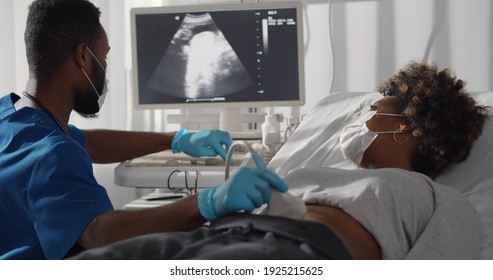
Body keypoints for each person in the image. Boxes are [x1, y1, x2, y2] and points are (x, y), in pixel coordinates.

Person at [72, 61, 489, 260]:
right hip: (219, 236)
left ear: (407, 124)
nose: (361, 117)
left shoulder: (440, 200)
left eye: (373, 109)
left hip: (291, 255)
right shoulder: (318, 172)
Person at [0, 0, 287, 260]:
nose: (105, 68)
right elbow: (99, 234)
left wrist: (176, 139)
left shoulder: (11, 115)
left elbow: (89, 143)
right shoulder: (51, 156)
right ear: (84, 57)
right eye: (105, 57)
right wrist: (207, 202)